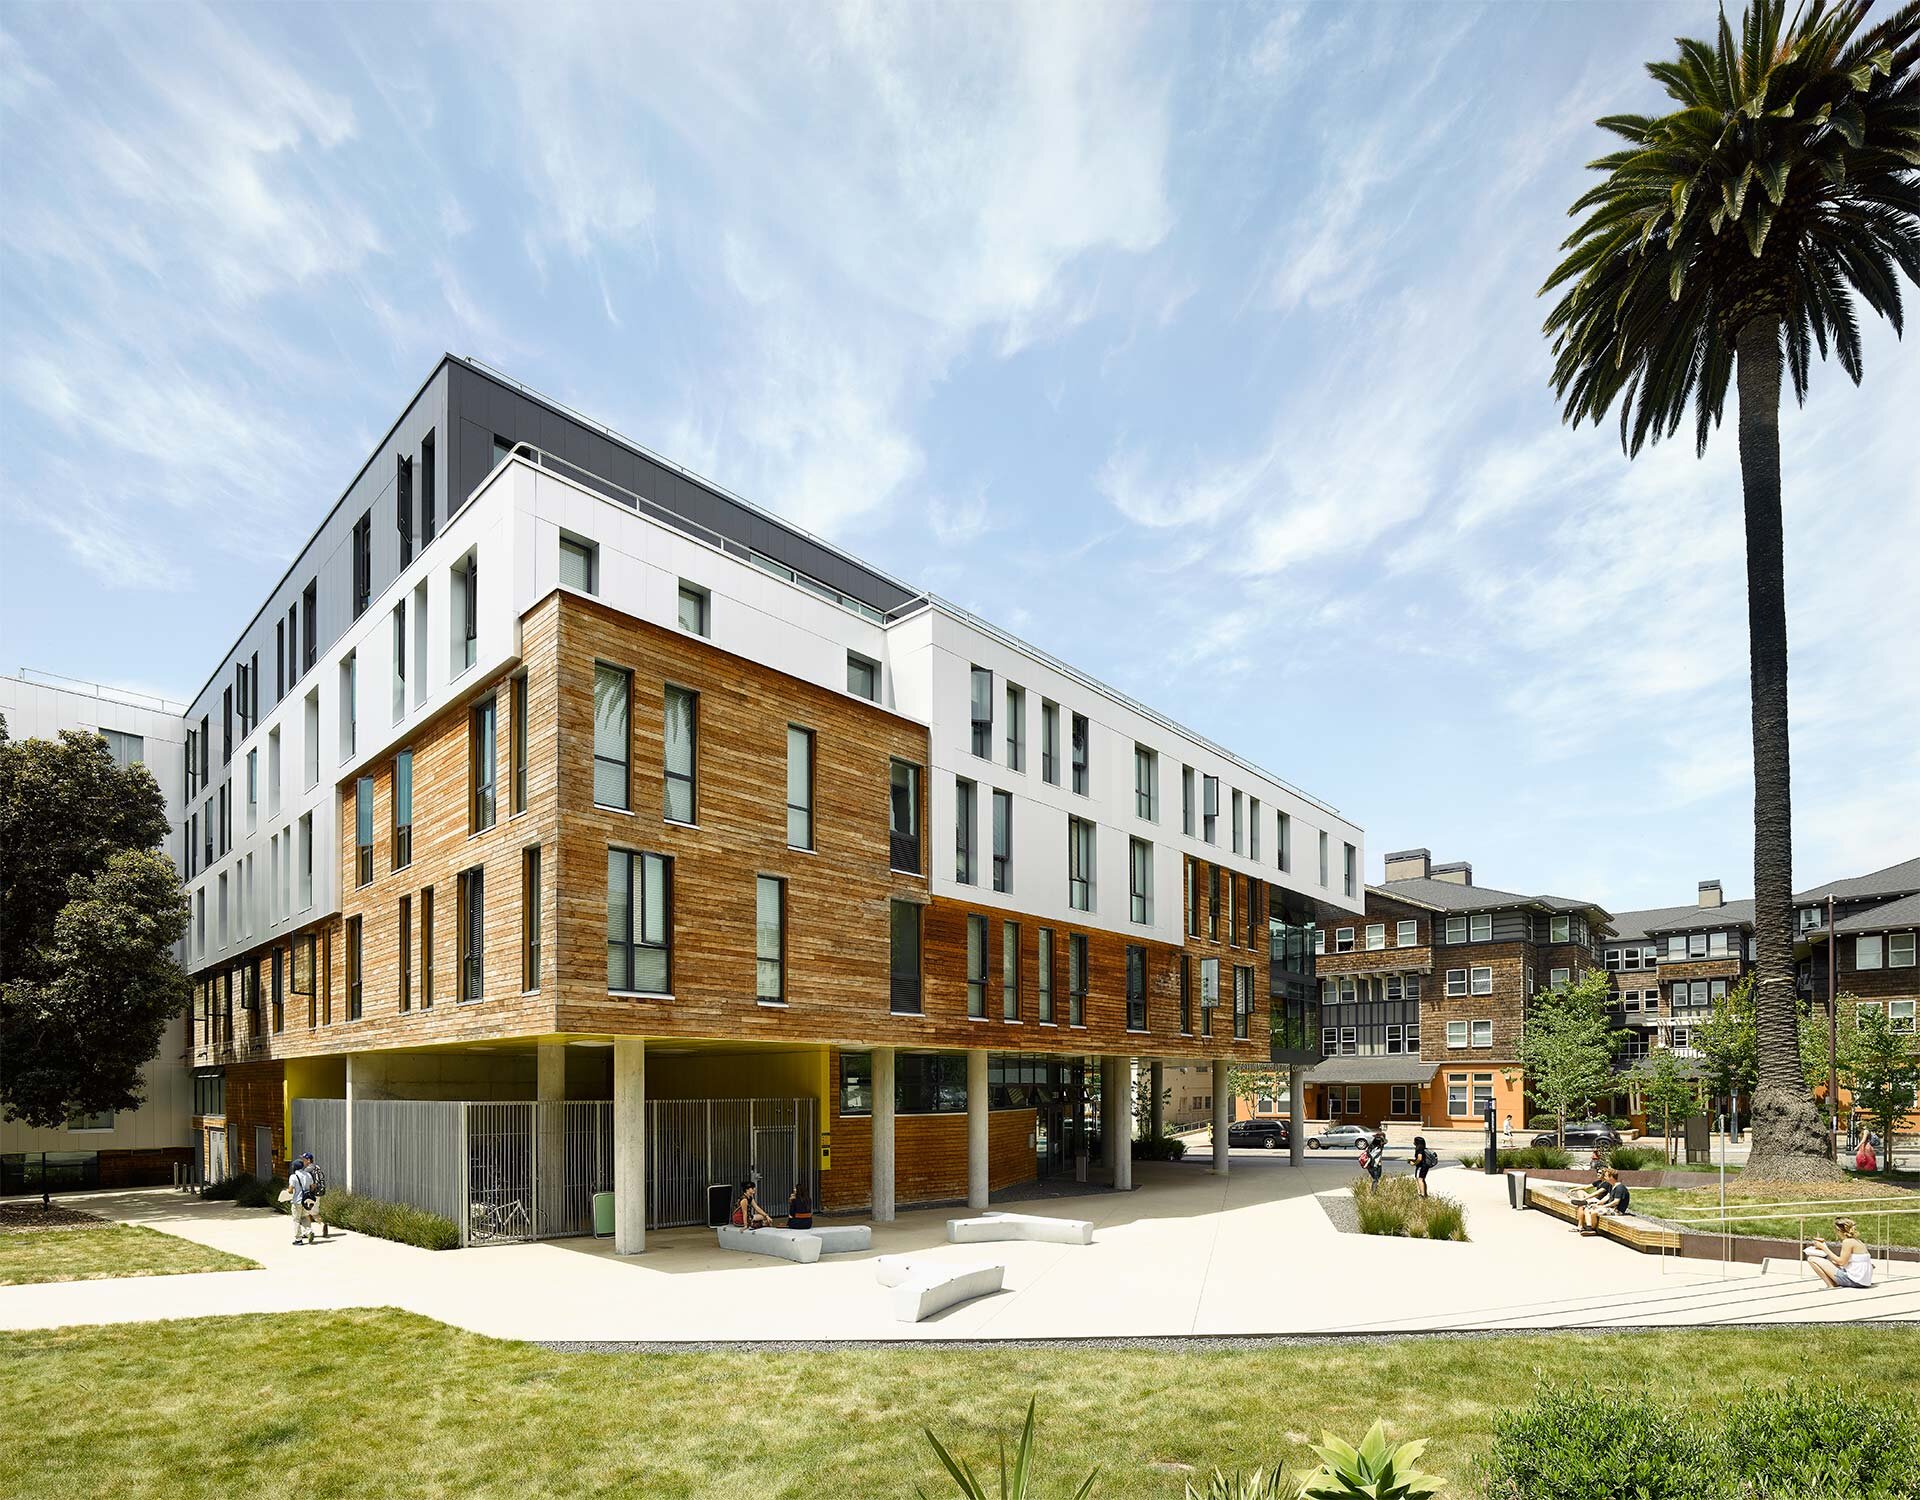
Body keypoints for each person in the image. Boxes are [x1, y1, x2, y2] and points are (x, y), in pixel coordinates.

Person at [1805, 1217, 1874, 1289]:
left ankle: (1830, 1285)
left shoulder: (1847, 1242)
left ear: (1839, 1230)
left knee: (1811, 1259)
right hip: (1863, 1280)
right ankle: (1833, 1283)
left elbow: (1841, 1262)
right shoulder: (1858, 1241)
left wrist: (1824, 1248)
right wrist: (1824, 1248)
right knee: (1829, 1261)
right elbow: (1843, 1262)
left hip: (1854, 1280)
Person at [1575, 1169, 1629, 1235]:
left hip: (1617, 1211)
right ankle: (1588, 1227)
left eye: (1606, 1176)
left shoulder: (1620, 1188)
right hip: (1610, 1208)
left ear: (1611, 1177)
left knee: (1593, 1212)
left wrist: (1603, 1206)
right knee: (1587, 1208)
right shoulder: (1612, 1186)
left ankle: (1592, 1229)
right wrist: (1597, 1204)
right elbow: (1607, 1196)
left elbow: (1616, 1202)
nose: (1604, 1177)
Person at [286, 1157, 317, 1246]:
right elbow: (312, 1187)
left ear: (294, 1167)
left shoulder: (293, 1176)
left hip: (297, 1201)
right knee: (305, 1217)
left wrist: (287, 1191)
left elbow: (290, 1190)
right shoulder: (308, 1175)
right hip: (306, 1201)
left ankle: (298, 1239)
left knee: (296, 1220)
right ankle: (309, 1231)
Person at [299, 1151, 330, 1239]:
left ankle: (308, 1232)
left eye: (304, 1159)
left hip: (310, 1194)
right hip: (318, 1193)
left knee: (305, 1213)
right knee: (314, 1213)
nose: (303, 1161)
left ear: (308, 1160)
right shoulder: (317, 1167)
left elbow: (305, 1183)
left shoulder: (307, 1170)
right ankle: (322, 1224)